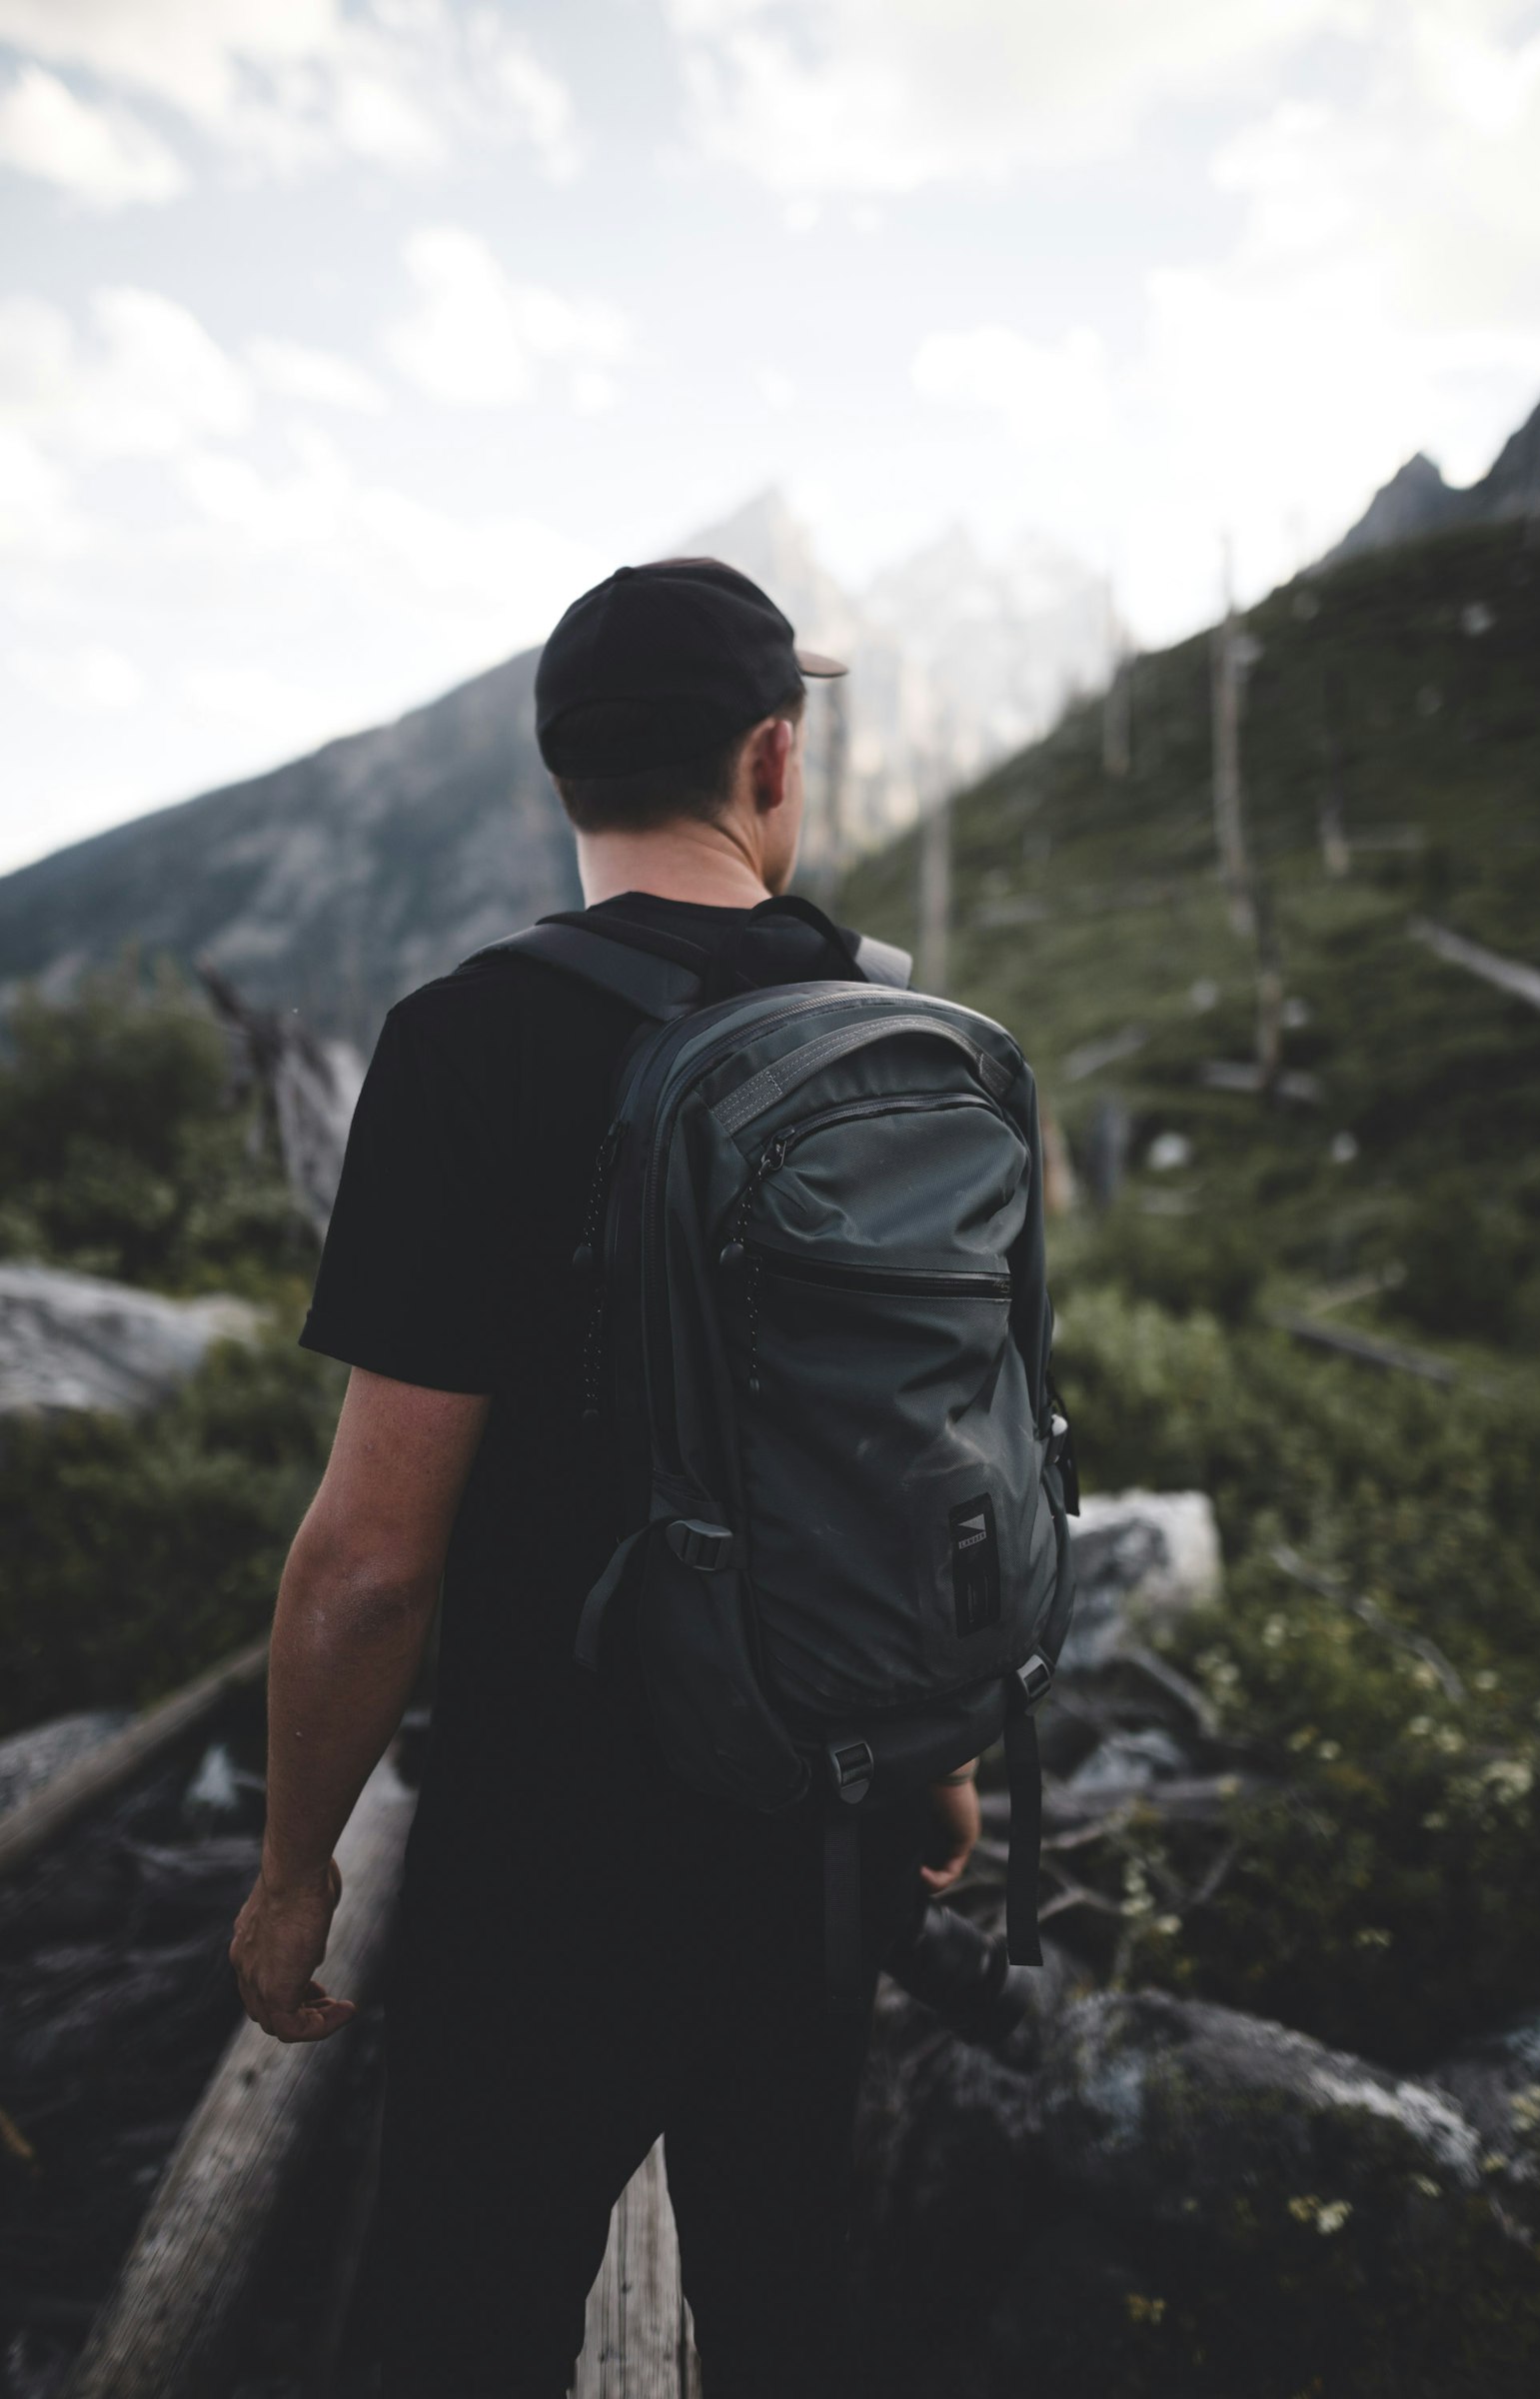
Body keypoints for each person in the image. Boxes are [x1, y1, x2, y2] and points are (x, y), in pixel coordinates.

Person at [229, 557, 981, 2399]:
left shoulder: (464, 1043)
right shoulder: (911, 1044)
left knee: (454, 2326)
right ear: (773, 758)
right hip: (829, 1817)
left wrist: (290, 1865)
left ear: (560, 778)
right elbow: (928, 1447)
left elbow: (369, 1564)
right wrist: (940, 1751)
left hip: (554, 1848)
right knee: (793, 2296)